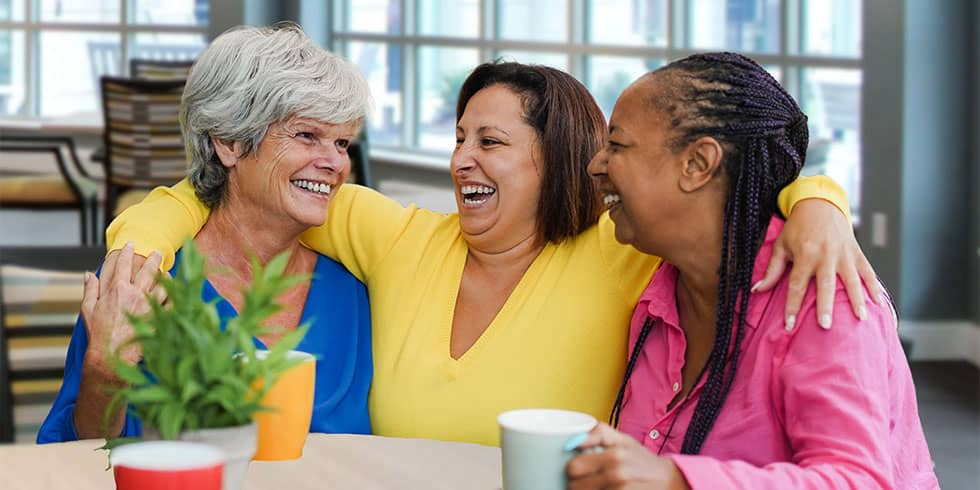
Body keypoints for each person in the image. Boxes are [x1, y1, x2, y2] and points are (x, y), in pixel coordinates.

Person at [103, 61, 880, 446]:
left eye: (491, 142)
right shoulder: (397, 236)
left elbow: (729, 193)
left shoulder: (622, 252)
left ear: (559, 155)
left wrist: (818, 200)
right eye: (458, 139)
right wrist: (138, 247)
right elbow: (232, 189)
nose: (461, 161)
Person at [566, 52, 938, 488]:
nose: (596, 164)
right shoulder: (657, 295)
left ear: (698, 164)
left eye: (617, 145)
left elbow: (858, 480)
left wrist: (675, 479)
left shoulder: (822, 297)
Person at [37, 23, 373, 442]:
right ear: (229, 143)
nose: (335, 163)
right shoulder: (141, 278)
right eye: (307, 135)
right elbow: (78, 451)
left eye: (341, 143)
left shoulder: (353, 291)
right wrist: (106, 366)